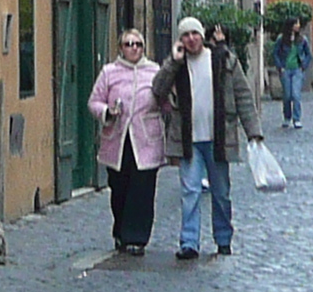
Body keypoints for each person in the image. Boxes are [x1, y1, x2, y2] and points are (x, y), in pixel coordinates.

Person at [150, 16, 256, 259]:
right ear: (181, 39)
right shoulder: (177, 64)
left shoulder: (223, 60)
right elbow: (157, 90)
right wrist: (172, 62)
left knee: (221, 193)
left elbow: (243, 96)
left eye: (194, 34)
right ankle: (189, 242)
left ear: (202, 36)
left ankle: (223, 239)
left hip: (218, 138)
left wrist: (254, 132)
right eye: (186, 35)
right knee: (190, 192)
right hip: (188, 141)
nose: (191, 39)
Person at [88, 26, 165, 255]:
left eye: (138, 44)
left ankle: (138, 238)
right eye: (128, 44)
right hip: (118, 139)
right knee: (119, 188)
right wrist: (107, 112)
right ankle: (120, 232)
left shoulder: (154, 71)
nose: (134, 48)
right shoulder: (109, 72)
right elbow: (94, 102)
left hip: (146, 140)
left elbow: (166, 101)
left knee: (143, 188)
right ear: (120, 48)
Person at [269, 22, 313, 130]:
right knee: (287, 95)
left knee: (296, 94)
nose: (298, 25)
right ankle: (287, 117)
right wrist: (280, 67)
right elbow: (275, 53)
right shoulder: (281, 39)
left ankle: (297, 119)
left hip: (297, 69)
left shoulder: (302, 39)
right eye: (296, 23)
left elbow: (308, 54)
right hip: (286, 69)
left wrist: (303, 66)